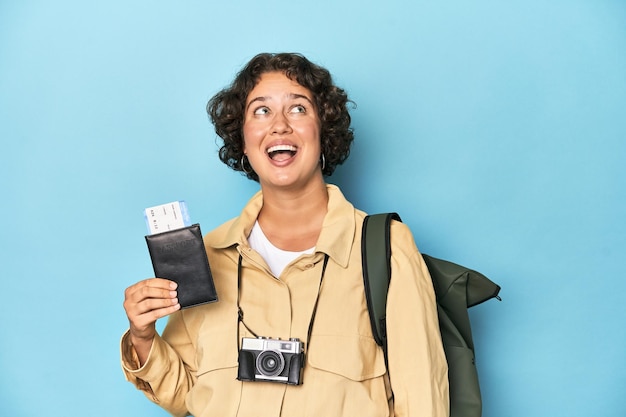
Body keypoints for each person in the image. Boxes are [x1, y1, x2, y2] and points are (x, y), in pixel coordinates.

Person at [121, 52, 449, 417]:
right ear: (243, 141)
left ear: (324, 133)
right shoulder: (209, 254)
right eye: (261, 111)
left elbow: (424, 402)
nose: (279, 125)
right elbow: (183, 395)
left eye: (297, 109)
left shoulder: (386, 249)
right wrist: (143, 337)